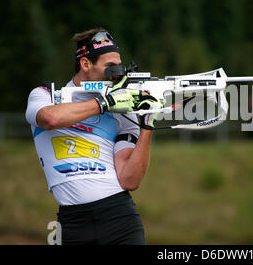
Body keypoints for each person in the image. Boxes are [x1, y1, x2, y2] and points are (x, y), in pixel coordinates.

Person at [25, 28, 161, 245]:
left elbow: (129, 179)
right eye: (109, 67)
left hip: (119, 216)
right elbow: (49, 119)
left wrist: (147, 124)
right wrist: (103, 103)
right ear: (85, 64)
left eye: (119, 66)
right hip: (71, 222)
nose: (116, 73)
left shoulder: (122, 111)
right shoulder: (45, 95)